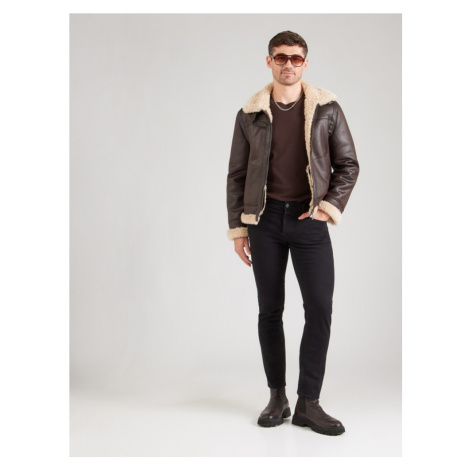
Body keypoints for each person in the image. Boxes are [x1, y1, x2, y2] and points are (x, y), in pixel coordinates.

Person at [226, 31, 360, 436]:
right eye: (281, 57)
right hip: (264, 222)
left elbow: (348, 164)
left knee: (319, 308)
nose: (288, 64)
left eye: (296, 58)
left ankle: (308, 403)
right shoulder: (250, 114)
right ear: (269, 61)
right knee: (270, 311)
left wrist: (327, 207)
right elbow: (236, 175)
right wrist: (238, 229)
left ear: (305, 62)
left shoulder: (327, 108)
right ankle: (277, 398)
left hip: (308, 221)